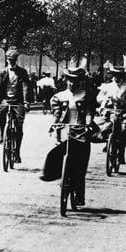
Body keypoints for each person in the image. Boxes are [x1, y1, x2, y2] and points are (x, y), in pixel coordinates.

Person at [41, 67, 96, 206]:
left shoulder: (85, 95)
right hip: (65, 130)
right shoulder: (59, 96)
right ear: (66, 80)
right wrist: (55, 125)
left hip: (81, 131)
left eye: (75, 81)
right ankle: (54, 174)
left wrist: (88, 124)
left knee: (80, 166)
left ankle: (79, 194)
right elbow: (57, 114)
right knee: (55, 154)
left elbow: (89, 112)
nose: (72, 83)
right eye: (70, 80)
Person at [0, 47, 30, 163]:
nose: (11, 61)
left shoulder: (22, 72)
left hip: (18, 101)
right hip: (5, 99)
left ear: (16, 60)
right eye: (9, 59)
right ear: (7, 60)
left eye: (13, 60)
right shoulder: (2, 72)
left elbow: (26, 88)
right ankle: (2, 132)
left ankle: (17, 152)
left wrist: (26, 102)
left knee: (19, 126)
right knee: (1, 112)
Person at [96, 65, 126, 165]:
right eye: (115, 76)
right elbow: (99, 98)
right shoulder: (107, 86)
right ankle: (108, 143)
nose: (116, 78)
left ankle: (121, 153)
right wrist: (104, 100)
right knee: (106, 128)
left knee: (123, 130)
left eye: (119, 76)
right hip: (109, 111)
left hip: (123, 112)